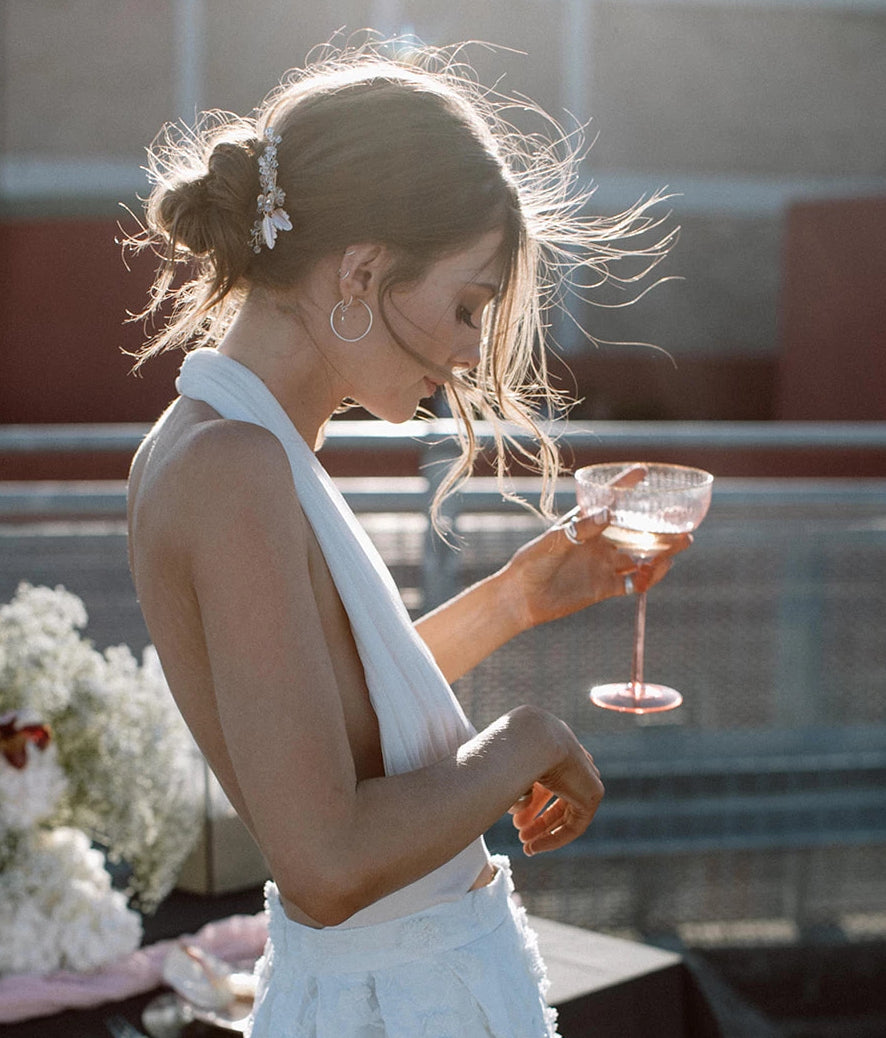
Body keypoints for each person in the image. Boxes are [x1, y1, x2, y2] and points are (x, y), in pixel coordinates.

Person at [126, 38, 687, 1038]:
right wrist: (526, 742)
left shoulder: (233, 439)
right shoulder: (235, 465)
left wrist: (517, 595)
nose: (472, 350)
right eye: (468, 306)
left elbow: (315, 722)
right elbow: (326, 859)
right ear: (362, 270)